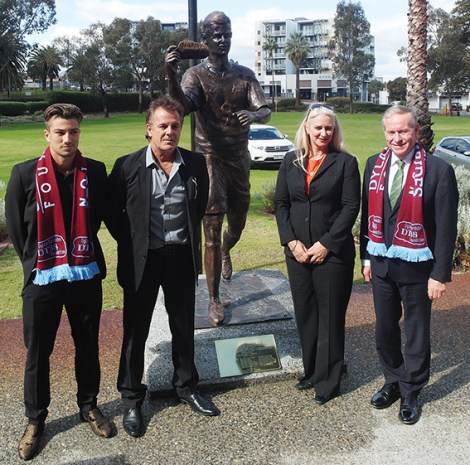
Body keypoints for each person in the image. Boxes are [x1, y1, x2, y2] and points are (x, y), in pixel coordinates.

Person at [107, 96, 219, 439]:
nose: (170, 132)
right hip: (143, 260)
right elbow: (111, 212)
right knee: (135, 331)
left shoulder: (195, 164)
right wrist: (133, 242)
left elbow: (196, 207)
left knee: (183, 326)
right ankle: (131, 396)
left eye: (175, 126)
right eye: (163, 126)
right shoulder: (126, 166)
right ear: (149, 129)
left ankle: (186, 385)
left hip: (180, 257)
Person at [5, 103, 112, 461]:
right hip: (43, 277)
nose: (68, 138)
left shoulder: (95, 172)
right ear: (47, 134)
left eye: (74, 131)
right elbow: (20, 235)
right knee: (38, 352)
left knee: (88, 345)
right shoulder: (23, 175)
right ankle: (36, 420)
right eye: (61, 132)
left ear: (80, 132)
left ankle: (89, 406)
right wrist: (38, 264)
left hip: (84, 273)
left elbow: (105, 218)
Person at [165, 11, 271, 326]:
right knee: (211, 227)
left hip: (238, 157)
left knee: (236, 223)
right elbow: (182, 107)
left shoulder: (244, 75)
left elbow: (264, 108)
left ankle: (227, 249)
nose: (222, 40)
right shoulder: (195, 75)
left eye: (226, 34)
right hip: (208, 156)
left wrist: (253, 116)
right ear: (206, 39)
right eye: (216, 35)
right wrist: (171, 74)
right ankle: (213, 298)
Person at [360, 105, 458, 425]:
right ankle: (392, 380)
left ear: (415, 132)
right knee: (385, 330)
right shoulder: (374, 165)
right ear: (384, 133)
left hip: (419, 269)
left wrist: (440, 274)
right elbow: (367, 217)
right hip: (382, 265)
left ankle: (412, 390)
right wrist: (365, 257)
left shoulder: (438, 170)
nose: (397, 137)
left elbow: (446, 227)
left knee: (416, 333)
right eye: (392, 131)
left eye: (403, 131)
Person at [274, 103, 360, 405]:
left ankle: (328, 380)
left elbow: (350, 207)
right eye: (318, 127)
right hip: (298, 253)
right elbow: (281, 204)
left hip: (332, 254)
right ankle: (311, 371)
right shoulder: (290, 160)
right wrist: (291, 242)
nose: (323, 132)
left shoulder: (345, 163)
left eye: (329, 128)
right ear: (307, 128)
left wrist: (327, 244)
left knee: (330, 317)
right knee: (306, 314)